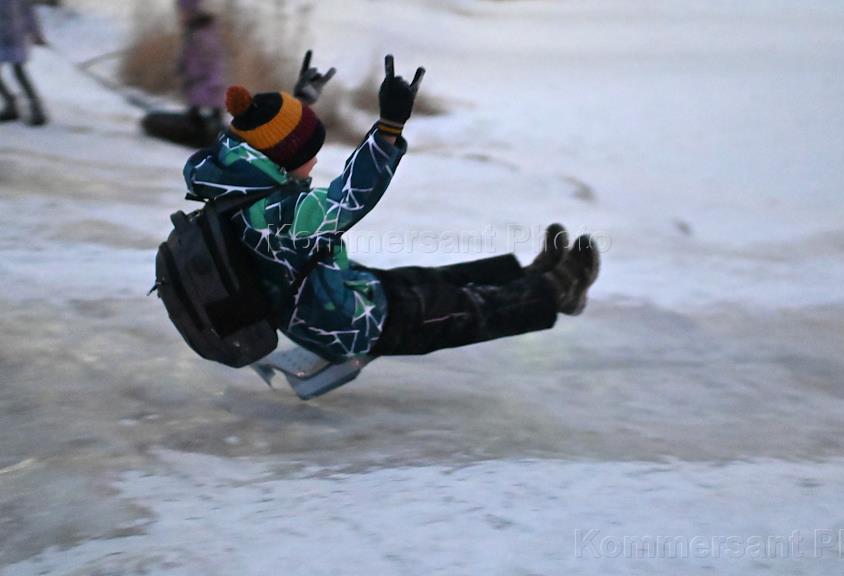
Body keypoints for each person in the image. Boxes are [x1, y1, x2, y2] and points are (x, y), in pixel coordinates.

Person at [182, 51, 600, 362]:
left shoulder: (234, 181)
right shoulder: (277, 214)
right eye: (309, 154)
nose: (315, 161)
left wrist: (298, 103)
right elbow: (348, 198)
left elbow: (266, 139)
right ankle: (556, 293)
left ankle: (530, 274)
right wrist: (388, 130)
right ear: (284, 159)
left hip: (334, 288)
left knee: (435, 280)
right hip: (344, 322)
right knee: (459, 310)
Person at [141, 0, 227, 149]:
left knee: (207, 117)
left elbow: (212, 60)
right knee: (197, 115)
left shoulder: (202, 33)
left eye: (183, 12)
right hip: (200, 86)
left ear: (192, 11)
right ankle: (203, 134)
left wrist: (206, 79)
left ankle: (207, 138)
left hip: (208, 86)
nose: (181, 16)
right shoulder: (195, 31)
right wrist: (182, 66)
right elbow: (191, 56)